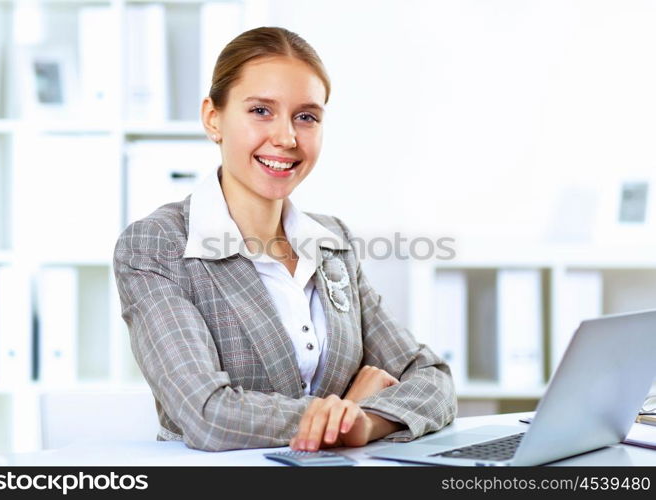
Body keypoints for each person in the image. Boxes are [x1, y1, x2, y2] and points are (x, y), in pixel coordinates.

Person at [113, 26, 456, 453]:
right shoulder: (156, 245)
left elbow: (432, 378)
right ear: (212, 118)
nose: (287, 137)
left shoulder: (332, 241)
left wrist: (362, 422)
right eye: (260, 111)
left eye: (306, 116)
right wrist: (346, 411)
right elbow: (208, 415)